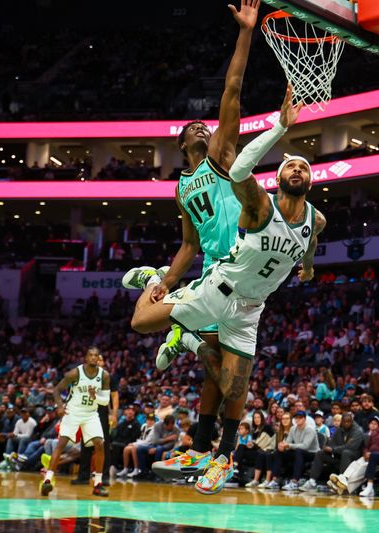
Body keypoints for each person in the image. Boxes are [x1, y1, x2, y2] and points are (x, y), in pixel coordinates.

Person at [131, 84, 322, 495]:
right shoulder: (260, 204)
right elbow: (237, 164)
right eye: (291, 166)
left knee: (233, 385)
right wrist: (278, 128)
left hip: (251, 305)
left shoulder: (315, 220)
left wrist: (307, 267)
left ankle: (214, 453)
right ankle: (157, 282)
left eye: (303, 168)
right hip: (222, 280)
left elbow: (311, 243)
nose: (297, 171)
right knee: (142, 321)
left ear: (311, 180)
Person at [122, 0, 261, 483]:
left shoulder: (220, 157)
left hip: (238, 269)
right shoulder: (181, 187)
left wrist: (245, 32)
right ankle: (204, 448)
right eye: (193, 128)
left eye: (206, 124)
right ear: (182, 144)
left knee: (229, 372)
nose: (203, 126)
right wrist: (166, 279)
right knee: (206, 362)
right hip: (207, 271)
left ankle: (221, 450)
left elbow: (233, 89)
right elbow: (187, 245)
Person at [40, 347, 110, 497]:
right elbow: (56, 390)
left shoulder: (104, 376)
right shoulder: (75, 373)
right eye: (90, 355)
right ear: (86, 357)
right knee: (62, 443)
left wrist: (94, 396)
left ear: (98, 359)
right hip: (73, 412)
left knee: (99, 444)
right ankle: (47, 480)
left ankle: (98, 484)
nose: (93, 358)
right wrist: (59, 406)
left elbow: (105, 401)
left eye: (95, 355)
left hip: (91, 414)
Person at [73, 351, 118, 486]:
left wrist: (114, 414)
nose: (97, 361)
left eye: (100, 360)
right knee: (86, 444)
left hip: (102, 412)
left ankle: (104, 477)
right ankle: (83, 476)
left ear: (103, 363)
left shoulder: (107, 377)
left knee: (103, 444)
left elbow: (114, 396)